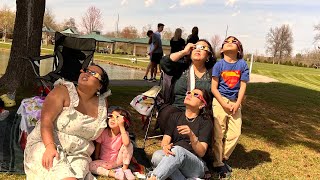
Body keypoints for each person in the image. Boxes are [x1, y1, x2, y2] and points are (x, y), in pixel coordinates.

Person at [24, 64, 110, 179]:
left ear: (100, 85)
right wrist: (50, 147)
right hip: (47, 144)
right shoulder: (63, 91)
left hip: (79, 154)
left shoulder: (102, 104)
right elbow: (46, 120)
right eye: (86, 70)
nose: (86, 73)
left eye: (93, 73)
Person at [148, 88, 213, 180]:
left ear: (202, 104)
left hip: (195, 164)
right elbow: (165, 140)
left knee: (178, 150)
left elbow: (201, 152)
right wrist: (165, 147)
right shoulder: (175, 116)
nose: (190, 94)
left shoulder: (205, 122)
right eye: (189, 92)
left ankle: (154, 177)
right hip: (174, 158)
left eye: (196, 95)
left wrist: (192, 135)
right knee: (157, 156)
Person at [157, 39, 216, 133]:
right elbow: (164, 63)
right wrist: (184, 51)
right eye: (195, 47)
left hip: (201, 111)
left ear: (208, 55)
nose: (198, 49)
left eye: (203, 48)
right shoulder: (181, 67)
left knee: (206, 122)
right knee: (166, 114)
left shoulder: (213, 72)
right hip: (178, 108)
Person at [211, 36, 249, 178]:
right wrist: (223, 103)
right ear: (222, 49)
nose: (230, 43)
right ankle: (218, 162)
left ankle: (223, 157)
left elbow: (243, 86)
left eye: (234, 41)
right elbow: (214, 88)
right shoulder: (219, 65)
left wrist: (237, 103)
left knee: (235, 133)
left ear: (239, 49)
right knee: (218, 133)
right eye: (226, 41)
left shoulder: (242, 65)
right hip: (220, 101)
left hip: (235, 102)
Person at [89, 107, 135, 180]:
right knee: (90, 166)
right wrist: (96, 159)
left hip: (117, 161)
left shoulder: (123, 134)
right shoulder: (104, 132)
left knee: (129, 145)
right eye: (111, 116)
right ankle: (114, 174)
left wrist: (121, 127)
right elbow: (98, 146)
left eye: (117, 118)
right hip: (104, 162)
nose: (112, 119)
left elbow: (126, 143)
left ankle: (124, 169)